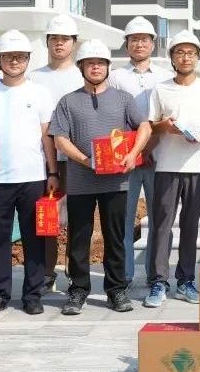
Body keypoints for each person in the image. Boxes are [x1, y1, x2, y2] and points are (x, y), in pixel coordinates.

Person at [50, 39, 152, 315]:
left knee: (115, 237)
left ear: (108, 67)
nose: (95, 68)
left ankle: (116, 289)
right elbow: (60, 139)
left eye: (100, 63)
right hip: (80, 181)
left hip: (115, 181)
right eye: (90, 63)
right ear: (81, 67)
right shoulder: (68, 101)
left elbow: (144, 126)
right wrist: (86, 160)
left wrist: (133, 154)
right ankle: (78, 289)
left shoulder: (123, 99)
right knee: (78, 238)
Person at [0, 29, 59, 317]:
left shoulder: (40, 93)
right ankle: (0, 294)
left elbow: (47, 136)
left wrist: (53, 172)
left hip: (33, 179)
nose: (14, 61)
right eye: (8, 56)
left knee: (35, 239)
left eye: (20, 56)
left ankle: (32, 295)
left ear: (28, 59)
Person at [143, 30, 200, 308]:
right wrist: (165, 126)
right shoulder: (161, 88)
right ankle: (158, 282)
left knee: (190, 224)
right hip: (166, 165)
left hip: (196, 167)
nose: (185, 58)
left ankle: (186, 280)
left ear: (198, 57)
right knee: (162, 224)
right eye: (180, 52)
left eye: (190, 53)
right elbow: (151, 125)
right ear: (172, 57)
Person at [110, 16, 173, 285]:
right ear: (126, 44)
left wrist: (148, 147)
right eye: (134, 40)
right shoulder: (116, 77)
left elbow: (168, 116)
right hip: (126, 159)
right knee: (124, 219)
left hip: (160, 156)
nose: (139, 44)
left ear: (153, 43)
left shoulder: (165, 76)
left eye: (144, 40)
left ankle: (156, 275)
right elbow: (114, 119)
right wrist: (134, 151)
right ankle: (124, 275)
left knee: (161, 219)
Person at [28, 13, 82, 293]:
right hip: (42, 160)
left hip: (76, 159)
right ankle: (47, 272)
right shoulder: (34, 77)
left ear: (74, 42)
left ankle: (75, 272)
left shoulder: (81, 75)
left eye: (65, 39)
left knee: (77, 217)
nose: (59, 43)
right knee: (46, 217)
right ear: (47, 42)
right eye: (54, 39)